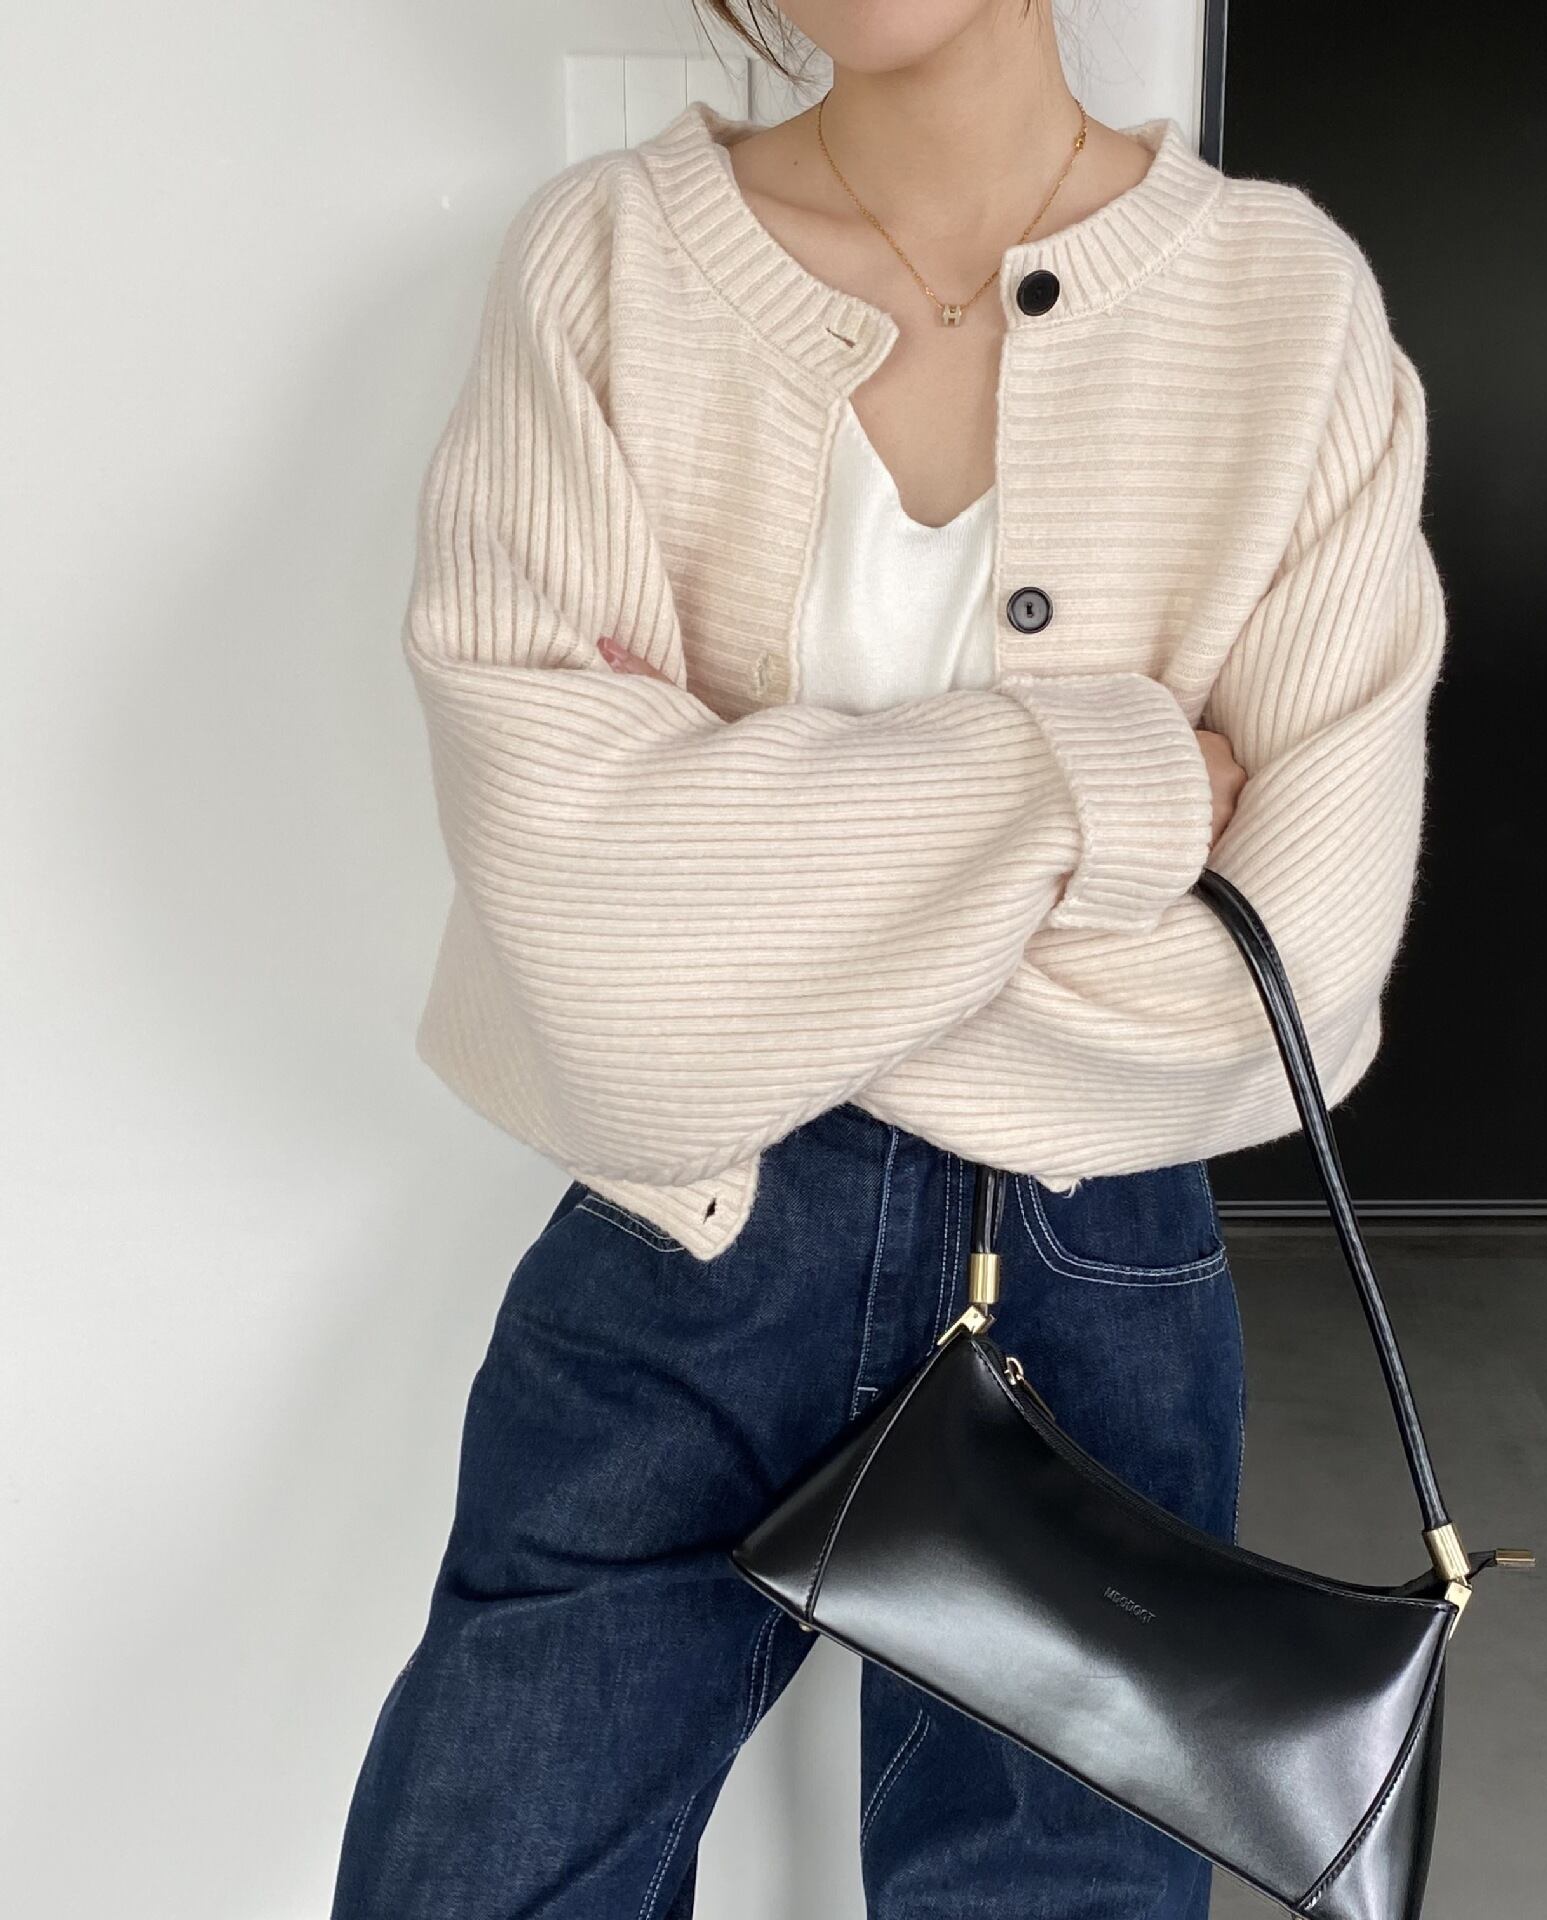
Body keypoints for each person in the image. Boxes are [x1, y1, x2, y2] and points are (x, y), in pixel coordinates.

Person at [328, 1, 1446, 1914]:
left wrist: (740, 927)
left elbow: (1291, 967)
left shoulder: (1286, 305)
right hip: (688, 1236)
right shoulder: (608, 266)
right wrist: (1094, 783)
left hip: (1098, 1255)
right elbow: (580, 939)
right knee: (477, 1877)